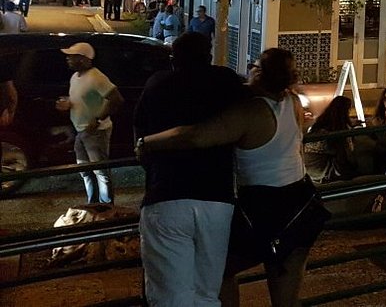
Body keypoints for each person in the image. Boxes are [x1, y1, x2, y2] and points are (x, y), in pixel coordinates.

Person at [137, 48, 323, 307]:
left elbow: (196, 136)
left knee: (220, 269)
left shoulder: (250, 113)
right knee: (285, 294)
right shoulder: (291, 102)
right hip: (301, 202)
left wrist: (147, 142)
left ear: (259, 73)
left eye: (254, 66)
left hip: (263, 205)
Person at [133, 31, 247, 307]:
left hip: (167, 195)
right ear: (208, 57)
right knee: (207, 292)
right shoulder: (228, 82)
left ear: (174, 58)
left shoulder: (158, 84)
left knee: (170, 295)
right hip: (217, 198)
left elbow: (139, 142)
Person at [55, 42, 124, 205]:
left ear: (83, 59)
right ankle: (93, 205)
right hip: (81, 131)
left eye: (71, 56)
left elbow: (116, 99)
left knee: (100, 172)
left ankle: (106, 208)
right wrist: (68, 103)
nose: (68, 59)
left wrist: (98, 118)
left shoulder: (96, 77)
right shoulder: (75, 77)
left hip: (96, 132)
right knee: (85, 171)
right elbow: (89, 100)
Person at [303, 96, 362, 182]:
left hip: (308, 169)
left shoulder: (321, 125)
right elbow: (347, 151)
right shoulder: (337, 130)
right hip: (321, 171)